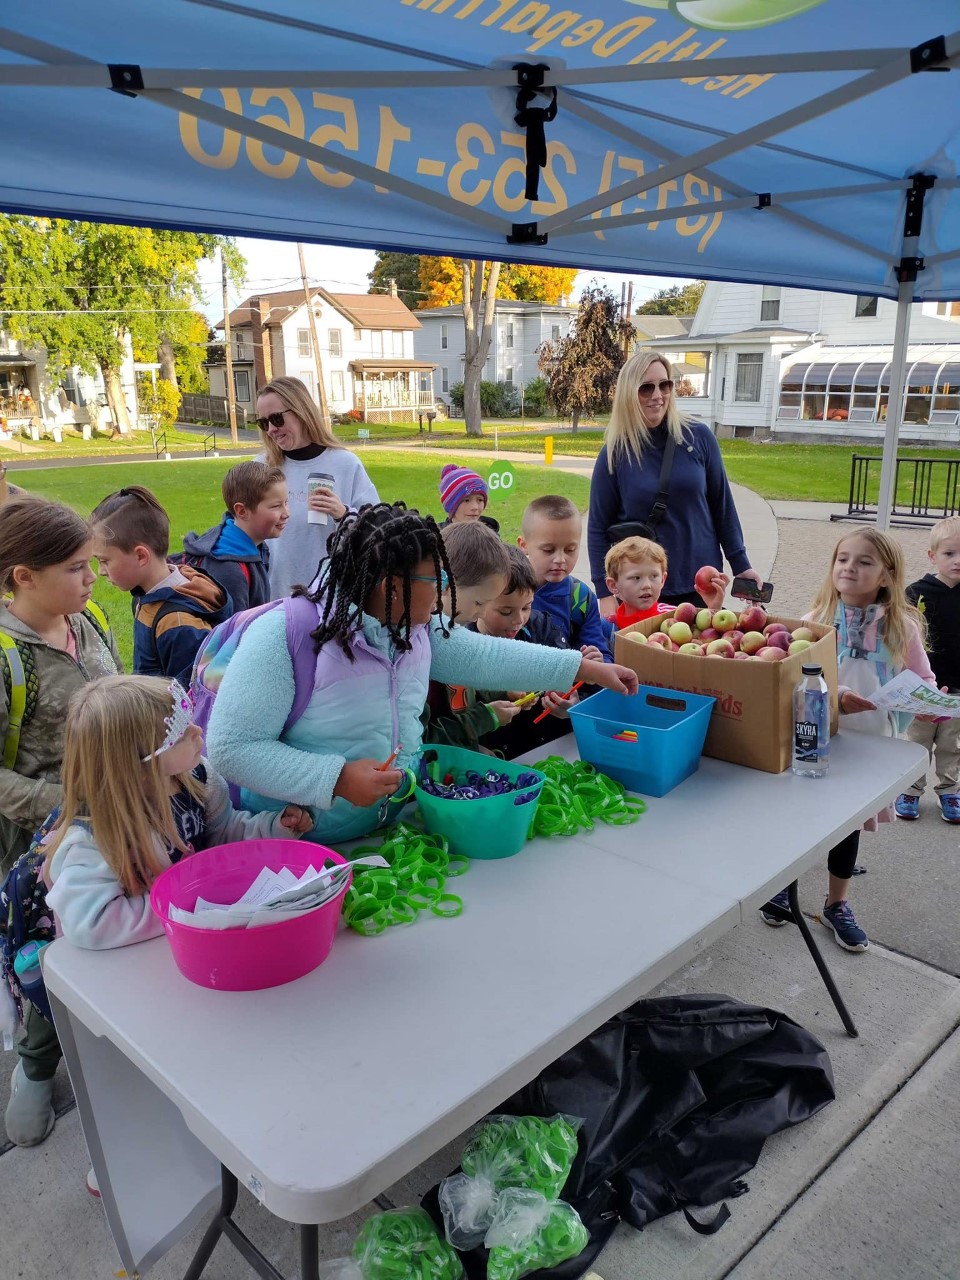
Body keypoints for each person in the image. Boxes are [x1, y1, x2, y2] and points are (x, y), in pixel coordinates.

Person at [13, 675, 310, 1181]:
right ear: (140, 761)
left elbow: (221, 834)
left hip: (162, 945)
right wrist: (181, 911)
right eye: (182, 732)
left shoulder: (195, 778)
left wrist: (272, 828)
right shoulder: (89, 838)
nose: (199, 733)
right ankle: (65, 1101)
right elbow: (89, 923)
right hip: (86, 957)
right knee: (92, 1045)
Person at [205, 503, 639, 847]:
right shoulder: (284, 635)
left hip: (389, 831)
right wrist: (336, 779)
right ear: (392, 587)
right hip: (301, 843)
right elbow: (231, 748)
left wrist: (583, 668)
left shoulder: (415, 626)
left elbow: (484, 656)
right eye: (438, 578)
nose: (446, 590)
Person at [760, 530, 937, 952]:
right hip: (817, 739)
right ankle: (786, 887)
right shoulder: (816, 620)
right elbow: (794, 676)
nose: (849, 568)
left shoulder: (903, 628)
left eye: (863, 562)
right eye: (842, 559)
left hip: (872, 745)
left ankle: (836, 904)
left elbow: (923, 681)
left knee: (847, 827)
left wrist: (928, 702)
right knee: (801, 818)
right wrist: (838, 699)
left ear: (887, 576)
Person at [0, 496, 121, 876]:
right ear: (25, 577)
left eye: (91, 563)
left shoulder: (91, 619)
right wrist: (73, 803)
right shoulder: (7, 656)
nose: (92, 577)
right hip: (44, 858)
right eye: (75, 568)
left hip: (119, 826)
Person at [588, 350, 763, 611]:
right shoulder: (615, 454)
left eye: (665, 385)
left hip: (702, 586)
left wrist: (742, 565)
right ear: (628, 393)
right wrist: (604, 593)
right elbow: (598, 528)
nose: (657, 395)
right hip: (643, 593)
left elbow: (722, 508)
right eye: (646, 388)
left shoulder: (699, 438)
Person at [90, 485, 231, 686]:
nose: (100, 571)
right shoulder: (145, 594)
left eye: (104, 561)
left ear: (140, 556)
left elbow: (187, 699)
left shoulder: (179, 625)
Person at [256, 376, 378, 598]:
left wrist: (343, 514)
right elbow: (238, 529)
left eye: (276, 419)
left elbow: (378, 530)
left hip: (332, 601)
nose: (272, 429)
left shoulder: (344, 464)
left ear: (302, 411)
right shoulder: (261, 468)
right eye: (264, 423)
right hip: (275, 600)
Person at [471, 546, 580, 759]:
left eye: (526, 607)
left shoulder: (542, 628)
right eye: (505, 611)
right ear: (478, 603)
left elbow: (570, 684)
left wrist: (570, 705)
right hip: (500, 762)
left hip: (552, 753)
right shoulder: (464, 645)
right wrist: (501, 697)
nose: (519, 620)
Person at [422, 524, 518, 750]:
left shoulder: (457, 630)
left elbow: (465, 691)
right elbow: (422, 741)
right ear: (445, 584)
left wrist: (501, 693)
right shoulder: (419, 651)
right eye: (478, 603)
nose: (483, 614)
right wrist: (484, 718)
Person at [897, 515, 960, 823]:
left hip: (958, 687)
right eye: (950, 553)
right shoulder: (915, 593)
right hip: (922, 687)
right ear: (933, 556)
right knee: (917, 740)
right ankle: (910, 788)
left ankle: (950, 791)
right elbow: (901, 636)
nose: (958, 561)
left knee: (952, 744)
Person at [179, 461, 289, 614]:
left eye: (286, 502)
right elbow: (235, 633)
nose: (286, 513)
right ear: (242, 511)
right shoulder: (230, 571)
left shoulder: (255, 546)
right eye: (276, 506)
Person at [518, 495, 613, 660]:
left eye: (570, 550)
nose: (560, 559)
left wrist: (598, 661)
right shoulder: (505, 591)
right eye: (548, 550)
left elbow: (602, 653)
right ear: (523, 546)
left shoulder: (581, 598)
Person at [604, 536, 729, 630]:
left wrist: (713, 609)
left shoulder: (675, 616)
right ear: (613, 585)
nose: (647, 585)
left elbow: (704, 642)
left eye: (654, 576)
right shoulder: (608, 627)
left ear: (663, 579)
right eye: (636, 578)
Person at [438, 464, 500, 533]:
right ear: (451, 505)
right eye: (466, 500)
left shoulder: (492, 537)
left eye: (480, 500)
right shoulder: (437, 539)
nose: (475, 507)